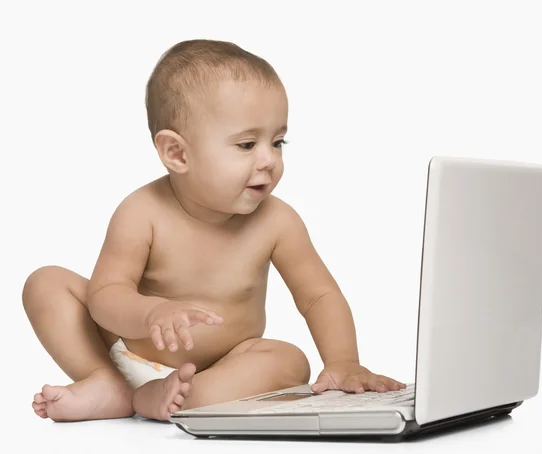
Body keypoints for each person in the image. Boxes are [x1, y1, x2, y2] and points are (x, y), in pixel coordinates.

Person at [23, 39, 405, 422]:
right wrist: (151, 312)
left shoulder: (277, 221)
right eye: (247, 144)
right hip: (126, 345)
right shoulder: (142, 212)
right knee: (46, 284)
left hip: (223, 365)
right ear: (177, 154)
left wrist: (343, 361)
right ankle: (108, 383)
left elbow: (318, 296)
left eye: (278, 142)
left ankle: (182, 399)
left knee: (290, 361)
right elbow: (105, 296)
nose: (269, 160)